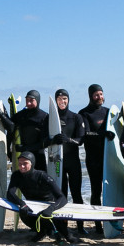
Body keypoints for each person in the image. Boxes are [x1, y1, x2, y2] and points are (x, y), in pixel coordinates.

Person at [6, 151, 76, 244]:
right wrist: (22, 204)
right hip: (34, 207)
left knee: (69, 238)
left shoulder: (42, 176)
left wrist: (50, 209)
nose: (22, 167)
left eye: (25, 164)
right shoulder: (16, 175)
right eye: (20, 164)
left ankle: (65, 233)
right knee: (23, 212)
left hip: (49, 207)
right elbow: (10, 193)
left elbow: (62, 198)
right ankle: (41, 232)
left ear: (32, 163)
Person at [51, 89, 89, 236]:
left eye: (65, 98)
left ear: (68, 100)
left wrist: (68, 140)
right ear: (56, 100)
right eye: (59, 99)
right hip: (57, 162)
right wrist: (52, 140)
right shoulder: (51, 118)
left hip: (73, 162)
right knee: (61, 195)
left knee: (77, 194)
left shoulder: (76, 117)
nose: (62, 101)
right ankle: (63, 226)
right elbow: (45, 138)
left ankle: (80, 226)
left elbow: (81, 140)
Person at [78, 84, 112, 212]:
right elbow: (86, 134)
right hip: (93, 160)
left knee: (110, 190)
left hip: (108, 158)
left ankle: (109, 218)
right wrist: (103, 134)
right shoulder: (84, 113)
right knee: (96, 190)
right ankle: (97, 223)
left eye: (101, 94)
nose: (99, 97)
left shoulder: (108, 112)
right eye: (96, 94)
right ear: (91, 96)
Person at [9, 90, 49, 171]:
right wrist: (9, 152)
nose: (28, 103)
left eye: (31, 100)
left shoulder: (45, 117)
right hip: (22, 158)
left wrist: (25, 148)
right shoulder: (19, 116)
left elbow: (46, 142)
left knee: (39, 181)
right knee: (23, 182)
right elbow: (9, 131)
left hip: (39, 157)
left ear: (37, 100)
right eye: (27, 100)